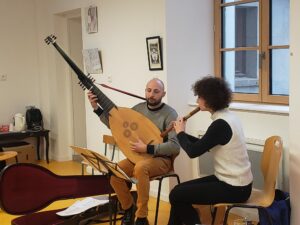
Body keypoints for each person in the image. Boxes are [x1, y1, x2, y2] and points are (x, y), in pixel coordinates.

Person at [87, 78, 180, 225]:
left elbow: (175, 147)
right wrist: (96, 108)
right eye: (148, 90)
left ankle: (142, 217)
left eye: (156, 91)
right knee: (115, 173)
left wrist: (148, 148)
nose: (151, 94)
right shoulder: (138, 109)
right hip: (137, 157)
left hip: (161, 160)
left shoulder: (170, 114)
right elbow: (116, 125)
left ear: (163, 93)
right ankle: (128, 208)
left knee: (141, 168)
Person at [167, 76, 253, 225]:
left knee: (176, 195)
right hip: (232, 182)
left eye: (199, 97)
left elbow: (193, 152)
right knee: (178, 192)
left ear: (210, 99)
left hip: (234, 188)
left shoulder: (220, 124)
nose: (197, 101)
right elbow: (203, 144)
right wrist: (180, 131)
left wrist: (180, 133)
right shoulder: (228, 117)